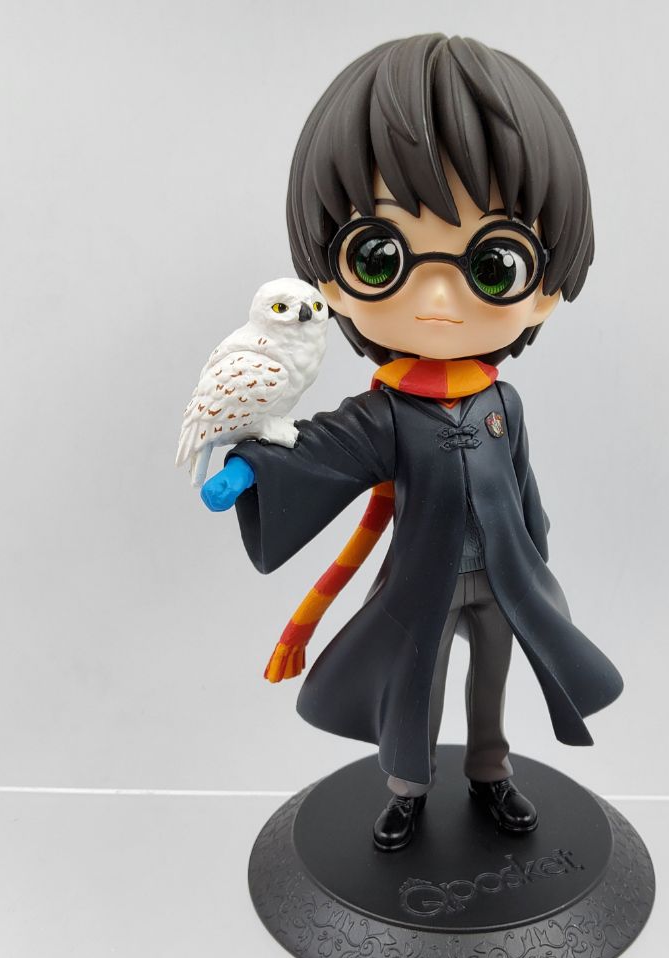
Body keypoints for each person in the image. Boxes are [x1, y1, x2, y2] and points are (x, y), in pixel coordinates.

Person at [200, 33, 623, 851]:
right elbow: (320, 446)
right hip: (423, 580)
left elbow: (523, 487)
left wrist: (535, 551)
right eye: (382, 256)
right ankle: (407, 786)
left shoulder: (501, 401)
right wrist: (251, 468)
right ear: (331, 280)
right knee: (415, 684)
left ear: (543, 291)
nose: (436, 298)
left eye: (492, 264)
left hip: (505, 578)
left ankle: (490, 771)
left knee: (492, 679)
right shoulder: (389, 412)